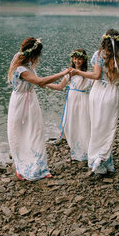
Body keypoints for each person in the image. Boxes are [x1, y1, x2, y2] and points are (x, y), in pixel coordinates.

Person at [7, 37, 71, 181]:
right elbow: (40, 81)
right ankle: (21, 167)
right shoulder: (20, 69)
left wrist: (57, 85)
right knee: (19, 134)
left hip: (31, 101)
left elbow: (40, 83)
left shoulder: (26, 63)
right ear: (33, 54)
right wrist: (62, 74)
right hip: (20, 103)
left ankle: (40, 166)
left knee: (36, 131)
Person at [72, 29, 119, 175]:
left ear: (104, 42)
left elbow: (96, 75)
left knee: (96, 127)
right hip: (111, 94)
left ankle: (95, 158)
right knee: (109, 128)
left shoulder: (98, 55)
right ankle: (103, 158)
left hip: (97, 93)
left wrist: (78, 72)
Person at [46, 49, 92, 161]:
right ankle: (75, 149)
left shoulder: (88, 74)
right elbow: (59, 87)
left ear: (84, 60)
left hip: (83, 100)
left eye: (79, 59)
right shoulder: (69, 73)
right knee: (72, 123)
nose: (77, 61)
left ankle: (87, 149)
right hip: (72, 101)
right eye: (75, 58)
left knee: (84, 123)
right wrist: (46, 84)